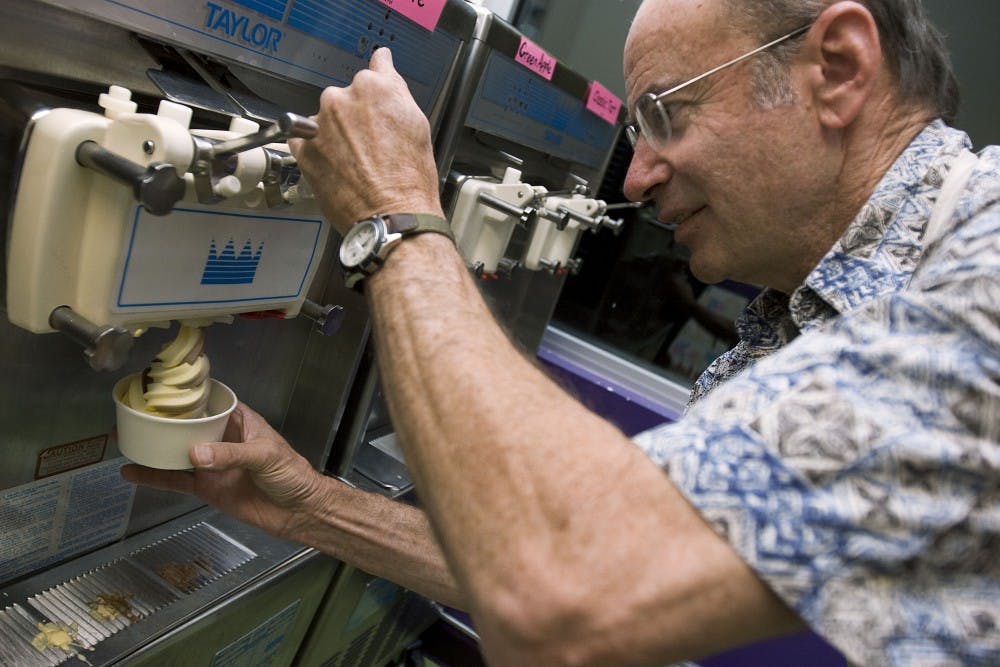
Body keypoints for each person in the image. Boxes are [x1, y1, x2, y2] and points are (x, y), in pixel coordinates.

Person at [122, 0, 999, 664]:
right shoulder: (792, 328)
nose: (637, 179)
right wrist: (307, 503)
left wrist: (394, 218)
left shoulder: (984, 273)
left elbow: (563, 587)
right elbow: (597, 566)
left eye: (664, 116)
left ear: (837, 70)